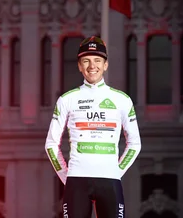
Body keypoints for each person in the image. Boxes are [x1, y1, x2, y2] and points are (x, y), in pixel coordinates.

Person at [45, 36, 141, 218]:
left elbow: (135, 144)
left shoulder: (122, 99)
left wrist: (117, 171)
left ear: (105, 65)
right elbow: (51, 144)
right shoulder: (67, 99)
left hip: (111, 181)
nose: (92, 66)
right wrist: (67, 176)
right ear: (79, 66)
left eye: (97, 60)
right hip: (76, 182)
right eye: (86, 61)